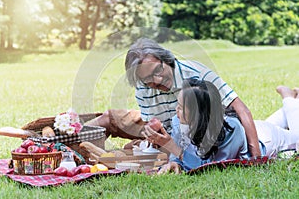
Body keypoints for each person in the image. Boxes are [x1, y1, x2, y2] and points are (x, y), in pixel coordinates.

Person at [86, 38, 261, 157]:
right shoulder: (143, 88)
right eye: (147, 80)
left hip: (198, 134)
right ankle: (69, 143)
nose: (157, 80)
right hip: (170, 132)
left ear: (167, 60)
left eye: (158, 71)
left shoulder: (196, 74)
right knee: (109, 119)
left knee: (134, 150)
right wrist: (150, 138)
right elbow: (153, 126)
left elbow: (241, 109)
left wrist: (256, 156)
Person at [142, 79, 299, 173]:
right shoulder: (179, 121)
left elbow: (208, 167)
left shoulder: (231, 130)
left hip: (267, 139)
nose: (176, 111)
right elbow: (184, 153)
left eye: (182, 107)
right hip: (257, 128)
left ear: (199, 113)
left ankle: (289, 99)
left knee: (297, 137)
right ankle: (289, 103)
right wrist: (174, 161)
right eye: (177, 104)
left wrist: (170, 145)